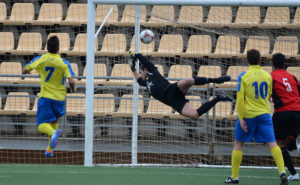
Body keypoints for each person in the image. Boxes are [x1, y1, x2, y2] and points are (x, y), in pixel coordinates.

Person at [224, 49, 287, 185]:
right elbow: (269, 94)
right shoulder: (268, 76)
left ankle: (234, 177)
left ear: (247, 61)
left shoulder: (244, 76)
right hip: (264, 114)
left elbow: (240, 100)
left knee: (239, 143)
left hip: (248, 115)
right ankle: (282, 171)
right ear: (260, 60)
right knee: (272, 143)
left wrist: (241, 118)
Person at [128, 51, 232, 120]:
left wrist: (135, 55)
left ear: (145, 70)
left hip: (172, 90)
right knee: (195, 115)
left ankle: (217, 80)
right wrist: (132, 67)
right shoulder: (145, 83)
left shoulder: (152, 71)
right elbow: (138, 79)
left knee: (188, 81)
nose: (140, 74)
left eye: (140, 72)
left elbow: (144, 60)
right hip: (173, 101)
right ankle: (219, 97)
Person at [22, 36, 76, 157]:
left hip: (46, 97)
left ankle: (54, 133)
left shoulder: (41, 59)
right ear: (58, 48)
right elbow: (71, 81)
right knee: (53, 120)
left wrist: (28, 71)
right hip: (60, 98)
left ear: (47, 47)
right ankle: (50, 149)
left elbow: (24, 70)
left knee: (42, 125)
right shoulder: (64, 63)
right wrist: (73, 90)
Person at [271, 53, 300, 181]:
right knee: (289, 142)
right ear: (284, 64)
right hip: (298, 112)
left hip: (283, 113)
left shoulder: (270, 77)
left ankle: (293, 173)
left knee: (278, 144)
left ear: (272, 65)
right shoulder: (292, 77)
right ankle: (295, 143)